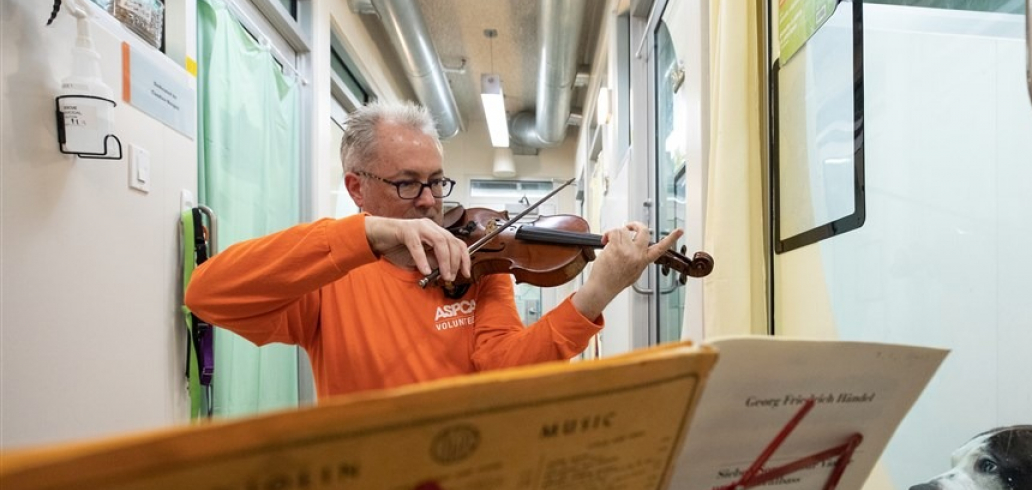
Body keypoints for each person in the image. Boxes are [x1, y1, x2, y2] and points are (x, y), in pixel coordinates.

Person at [185, 101, 682, 399]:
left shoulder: (481, 264)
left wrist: (594, 295)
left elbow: (504, 368)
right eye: (407, 184)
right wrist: (365, 236)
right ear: (357, 189)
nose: (429, 199)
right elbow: (208, 295)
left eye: (436, 181)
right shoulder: (331, 269)